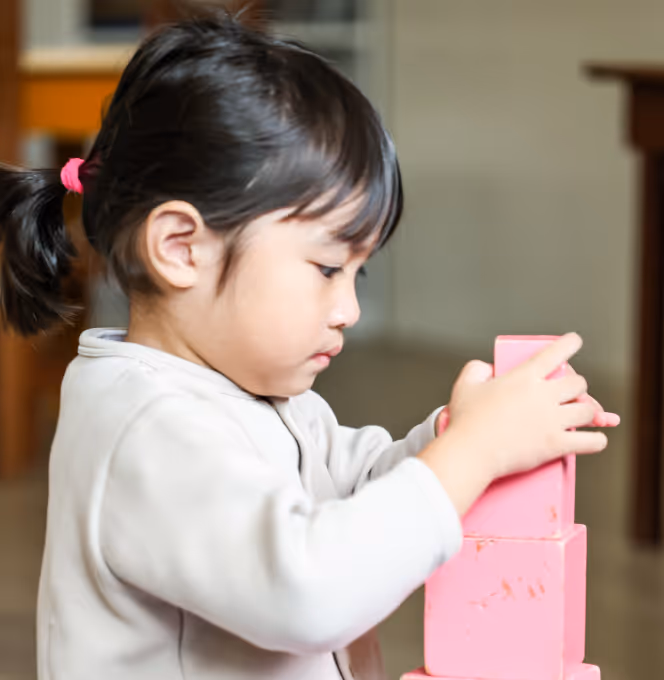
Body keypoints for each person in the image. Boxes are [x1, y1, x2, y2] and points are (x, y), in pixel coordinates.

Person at [0, 9, 618, 680]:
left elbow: (353, 489)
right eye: (326, 269)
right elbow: (307, 588)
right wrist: (476, 451)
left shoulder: (255, 392)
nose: (349, 308)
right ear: (182, 247)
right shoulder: (147, 434)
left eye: (359, 274)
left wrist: (451, 435)